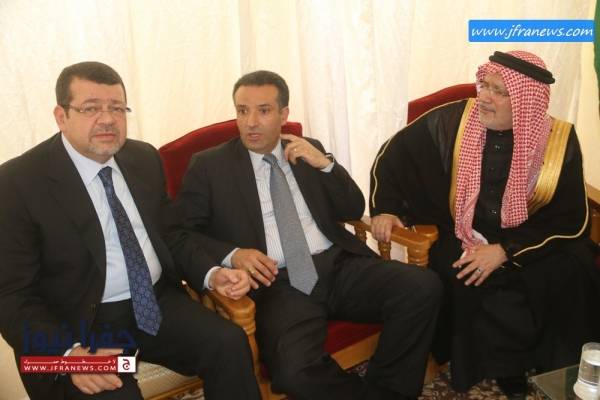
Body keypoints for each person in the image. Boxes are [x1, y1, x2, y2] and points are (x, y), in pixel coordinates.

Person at [167, 70, 442, 400]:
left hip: (338, 265)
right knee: (294, 373)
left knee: (422, 287)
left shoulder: (306, 149)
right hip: (277, 284)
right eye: (242, 110)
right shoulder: (209, 166)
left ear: (284, 114)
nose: (251, 122)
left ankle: (391, 389)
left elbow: (352, 207)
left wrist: (325, 165)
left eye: (263, 111)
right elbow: (180, 233)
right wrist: (233, 254)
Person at [0, 61, 261, 400]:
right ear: (61, 116)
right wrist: (69, 355)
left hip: (154, 304)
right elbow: (11, 295)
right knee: (116, 395)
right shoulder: (17, 183)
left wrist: (211, 274)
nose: (107, 119)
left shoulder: (143, 158)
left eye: (117, 108)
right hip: (78, 326)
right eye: (91, 108)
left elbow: (171, 234)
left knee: (228, 344)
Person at [370, 50, 600, 397]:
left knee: (572, 271)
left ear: (525, 102)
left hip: (530, 233)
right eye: (484, 86)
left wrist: (506, 250)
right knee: (466, 272)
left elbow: (570, 217)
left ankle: (558, 367)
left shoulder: (558, 140)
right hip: (463, 229)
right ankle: (501, 366)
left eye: (499, 91)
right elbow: (393, 155)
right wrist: (386, 207)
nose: (484, 97)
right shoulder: (452, 121)